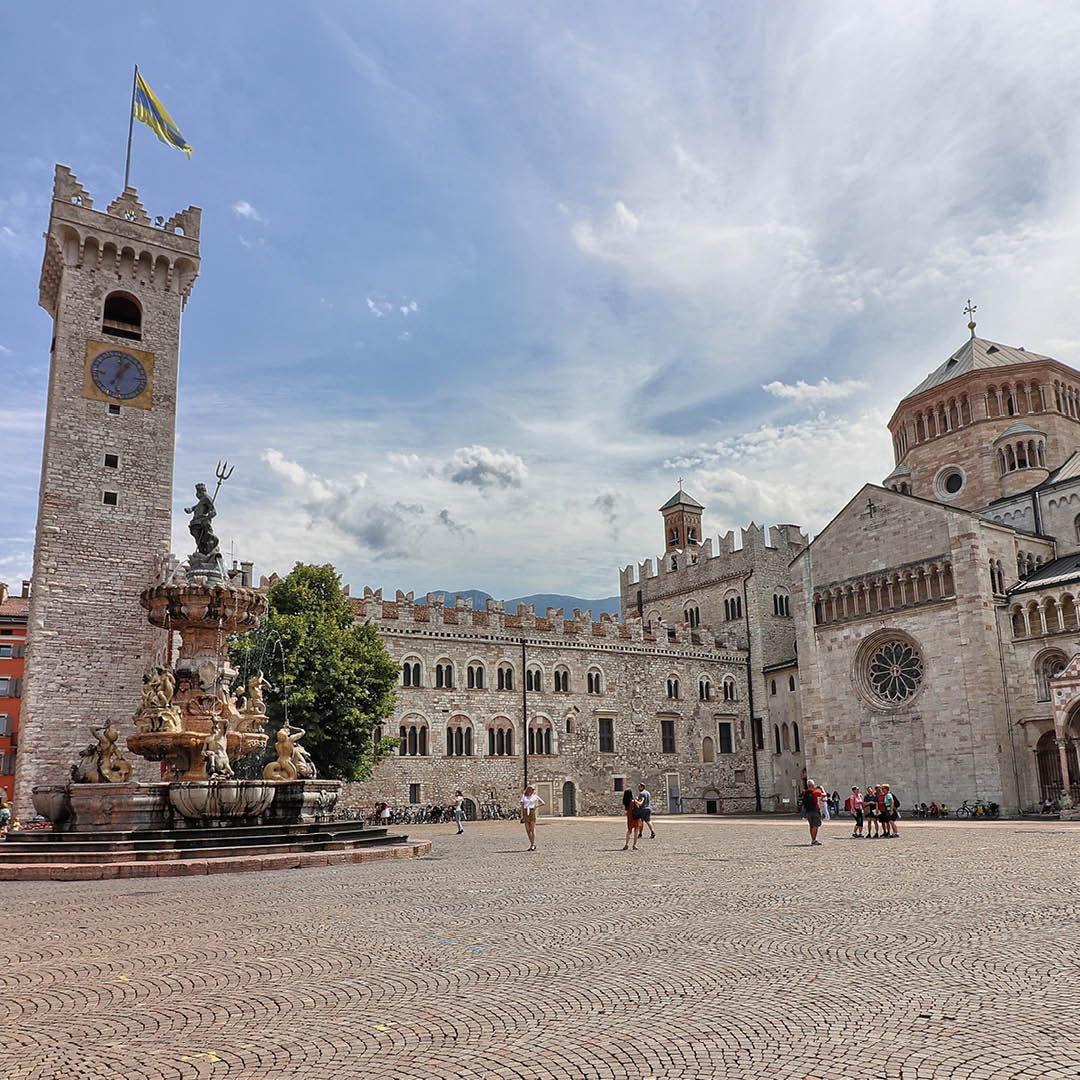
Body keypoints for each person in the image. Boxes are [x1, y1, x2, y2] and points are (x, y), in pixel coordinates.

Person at [520, 785, 544, 851]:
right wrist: (521, 816)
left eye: (533, 790)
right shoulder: (524, 796)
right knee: (528, 830)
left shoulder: (535, 796)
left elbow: (543, 802)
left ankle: (532, 845)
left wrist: (536, 806)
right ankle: (532, 844)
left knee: (532, 829)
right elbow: (521, 806)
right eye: (532, 789)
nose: (533, 791)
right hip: (525, 812)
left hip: (532, 812)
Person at [802, 779, 823, 845]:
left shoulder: (804, 792)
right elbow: (824, 795)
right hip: (815, 810)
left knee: (811, 826)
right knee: (815, 825)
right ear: (812, 785)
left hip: (808, 811)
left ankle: (813, 839)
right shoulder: (815, 792)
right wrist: (822, 789)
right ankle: (814, 840)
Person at [621, 786, 642, 850]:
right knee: (636, 831)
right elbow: (639, 804)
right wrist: (642, 800)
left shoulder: (626, 802)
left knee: (629, 831)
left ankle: (626, 844)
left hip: (629, 817)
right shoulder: (633, 802)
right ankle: (634, 845)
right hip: (635, 817)